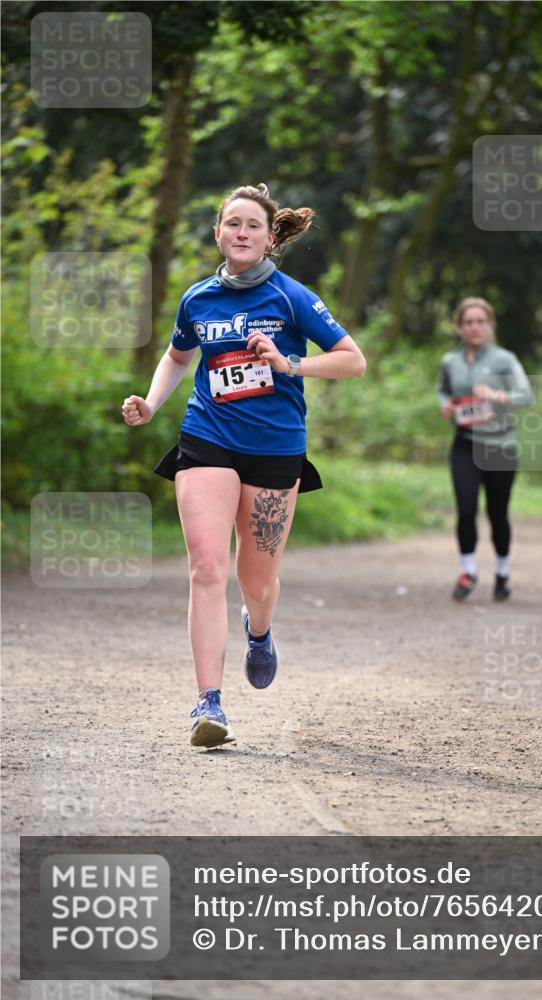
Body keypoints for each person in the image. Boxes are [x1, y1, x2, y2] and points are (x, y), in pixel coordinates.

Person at [122, 183, 365, 748]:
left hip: (275, 448)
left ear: (270, 237)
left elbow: (353, 361)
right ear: (218, 233)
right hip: (207, 436)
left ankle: (259, 629)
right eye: (233, 223)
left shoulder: (292, 297)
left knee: (256, 581)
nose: (242, 233)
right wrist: (151, 404)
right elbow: (178, 355)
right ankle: (208, 704)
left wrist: (288, 363)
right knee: (207, 567)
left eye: (253, 225)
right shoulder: (198, 299)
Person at [438, 297, 532, 602]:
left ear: (490, 325)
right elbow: (443, 392)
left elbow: (526, 396)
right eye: (468, 322)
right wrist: (445, 405)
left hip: (499, 446)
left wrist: (498, 396)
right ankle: (468, 572)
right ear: (459, 327)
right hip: (465, 444)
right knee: (466, 509)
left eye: (480, 321)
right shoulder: (450, 361)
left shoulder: (505, 359)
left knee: (497, 513)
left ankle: (502, 573)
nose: (474, 327)